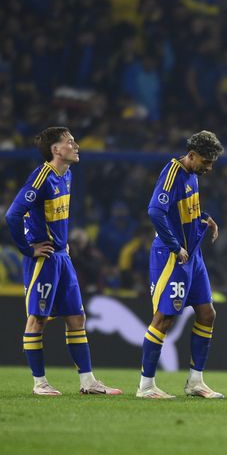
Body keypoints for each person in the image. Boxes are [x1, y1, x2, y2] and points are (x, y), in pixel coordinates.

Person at [4, 127, 122, 396]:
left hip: (61, 256)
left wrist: (62, 241)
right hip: (43, 258)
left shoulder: (66, 174)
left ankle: (88, 381)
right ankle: (39, 383)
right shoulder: (41, 178)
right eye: (70, 142)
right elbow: (13, 215)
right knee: (37, 319)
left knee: (76, 317)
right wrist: (28, 249)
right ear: (56, 150)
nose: (76, 145)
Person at [136, 130, 225, 399]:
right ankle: (146, 386)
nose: (209, 168)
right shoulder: (173, 172)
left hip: (193, 256)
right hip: (173, 256)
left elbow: (183, 210)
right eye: (206, 162)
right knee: (164, 318)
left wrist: (204, 218)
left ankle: (195, 382)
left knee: (207, 313)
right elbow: (155, 210)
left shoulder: (192, 176)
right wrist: (176, 245)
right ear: (192, 155)